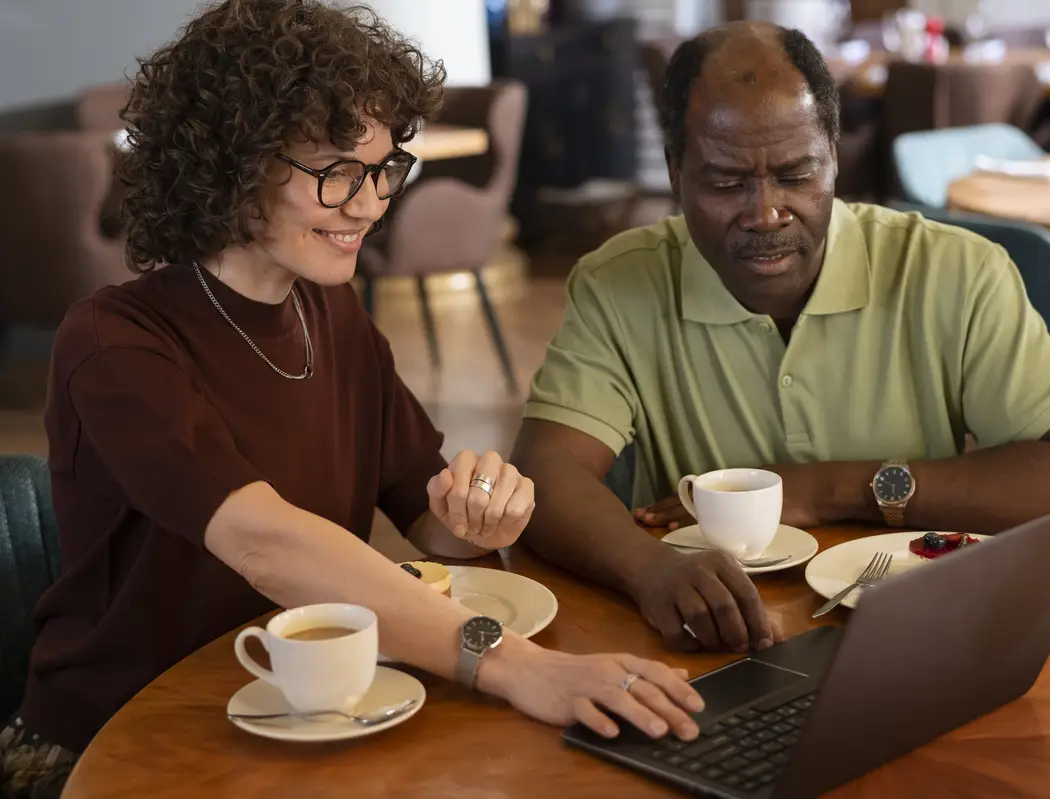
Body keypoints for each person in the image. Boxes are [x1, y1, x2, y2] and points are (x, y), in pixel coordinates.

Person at [0, 3, 702, 796]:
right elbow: (268, 542)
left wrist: (476, 513)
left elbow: (428, 522)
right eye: (337, 171)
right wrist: (513, 663)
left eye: (384, 169)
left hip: (300, 711)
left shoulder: (329, 311)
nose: (370, 203)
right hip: (115, 736)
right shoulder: (115, 342)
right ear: (232, 162)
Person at [511, 22, 1050, 656]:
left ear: (833, 156)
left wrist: (826, 488)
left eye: (796, 175)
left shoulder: (953, 272)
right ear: (675, 171)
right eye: (725, 183)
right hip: (714, 649)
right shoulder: (622, 282)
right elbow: (546, 471)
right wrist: (649, 569)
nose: (765, 212)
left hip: (921, 633)